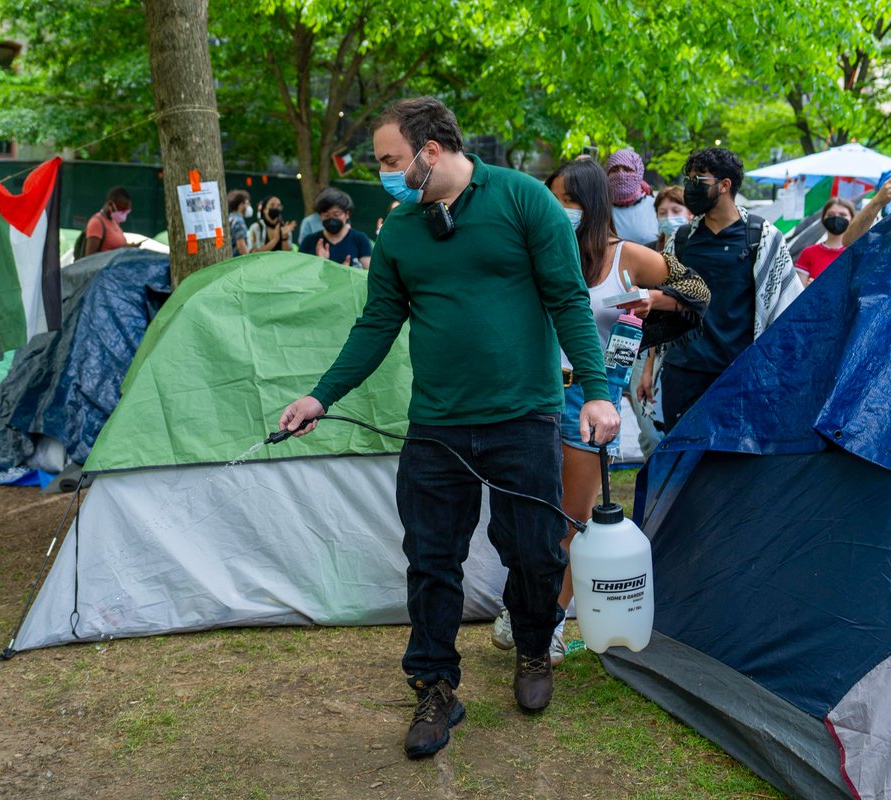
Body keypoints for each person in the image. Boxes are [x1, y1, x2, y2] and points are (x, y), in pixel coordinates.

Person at [277, 96, 619, 759]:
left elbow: (567, 299)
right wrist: (322, 396)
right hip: (436, 425)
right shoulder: (403, 230)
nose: (382, 172)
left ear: (432, 150)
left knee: (533, 551)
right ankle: (435, 685)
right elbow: (377, 322)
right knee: (432, 559)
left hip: (524, 416)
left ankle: (531, 651)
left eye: (390, 159)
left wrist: (598, 392)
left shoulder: (524, 201)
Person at [490, 157, 679, 665]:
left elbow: (697, 290)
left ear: (592, 204)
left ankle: (550, 618)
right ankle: (521, 604)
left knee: (571, 518)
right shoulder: (533, 250)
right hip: (528, 393)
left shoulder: (627, 256)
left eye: (569, 200)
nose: (558, 209)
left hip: (589, 397)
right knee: (521, 515)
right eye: (552, 198)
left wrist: (651, 300)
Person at [659, 147, 802, 432]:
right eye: (689, 179)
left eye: (699, 179)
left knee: (729, 466)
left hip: (738, 373)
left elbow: (787, 306)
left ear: (725, 185)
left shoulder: (762, 237)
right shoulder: (681, 239)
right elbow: (662, 305)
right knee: (681, 464)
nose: (690, 187)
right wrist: (648, 371)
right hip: (683, 372)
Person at [632, 186, 694, 452]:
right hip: (648, 349)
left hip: (684, 352)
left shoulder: (694, 253)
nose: (669, 217)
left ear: (690, 214)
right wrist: (648, 368)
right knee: (649, 429)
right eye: (663, 212)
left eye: (676, 210)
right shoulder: (648, 253)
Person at [298, 188, 373, 268]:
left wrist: (346, 272)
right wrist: (320, 262)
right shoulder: (309, 241)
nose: (331, 219)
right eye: (326, 215)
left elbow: (367, 273)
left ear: (347, 214)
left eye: (336, 215)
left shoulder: (360, 239)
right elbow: (300, 272)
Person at [795, 197, 856, 284]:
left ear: (852, 219)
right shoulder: (808, 253)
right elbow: (799, 291)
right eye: (831, 215)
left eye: (842, 215)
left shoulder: (857, 254)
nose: (836, 218)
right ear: (823, 218)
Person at [605, 148, 659, 245]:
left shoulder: (656, 206)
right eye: (614, 169)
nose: (621, 174)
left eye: (627, 169)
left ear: (639, 173)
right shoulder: (600, 208)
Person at [82, 186, 132, 255]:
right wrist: (116, 252)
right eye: (121, 210)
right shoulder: (97, 223)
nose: (123, 214)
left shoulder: (115, 222)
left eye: (126, 211)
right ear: (110, 204)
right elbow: (90, 257)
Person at [227, 189, 252, 257]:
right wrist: (249, 259)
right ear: (241, 205)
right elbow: (241, 245)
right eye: (247, 203)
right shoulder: (239, 221)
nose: (249, 206)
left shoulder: (230, 218)